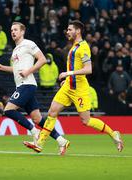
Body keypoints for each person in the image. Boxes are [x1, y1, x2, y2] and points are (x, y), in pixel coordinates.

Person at [24, 20, 124, 153]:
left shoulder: (83, 47)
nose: (67, 32)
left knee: (86, 121)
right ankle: (40, 143)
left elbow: (88, 69)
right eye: (67, 29)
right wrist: (67, 80)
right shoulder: (74, 46)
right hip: (68, 87)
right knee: (52, 112)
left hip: (79, 89)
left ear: (78, 31)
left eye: (70, 29)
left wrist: (68, 74)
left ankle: (113, 134)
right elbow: (75, 66)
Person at [0, 22, 70, 155]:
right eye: (11, 30)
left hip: (27, 84)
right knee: (37, 119)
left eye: (15, 30)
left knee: (8, 110)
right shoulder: (15, 50)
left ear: (22, 32)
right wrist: (2, 68)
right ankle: (61, 140)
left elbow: (42, 59)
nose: (13, 32)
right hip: (23, 84)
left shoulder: (28, 43)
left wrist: (28, 71)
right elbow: (17, 70)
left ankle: (34, 131)